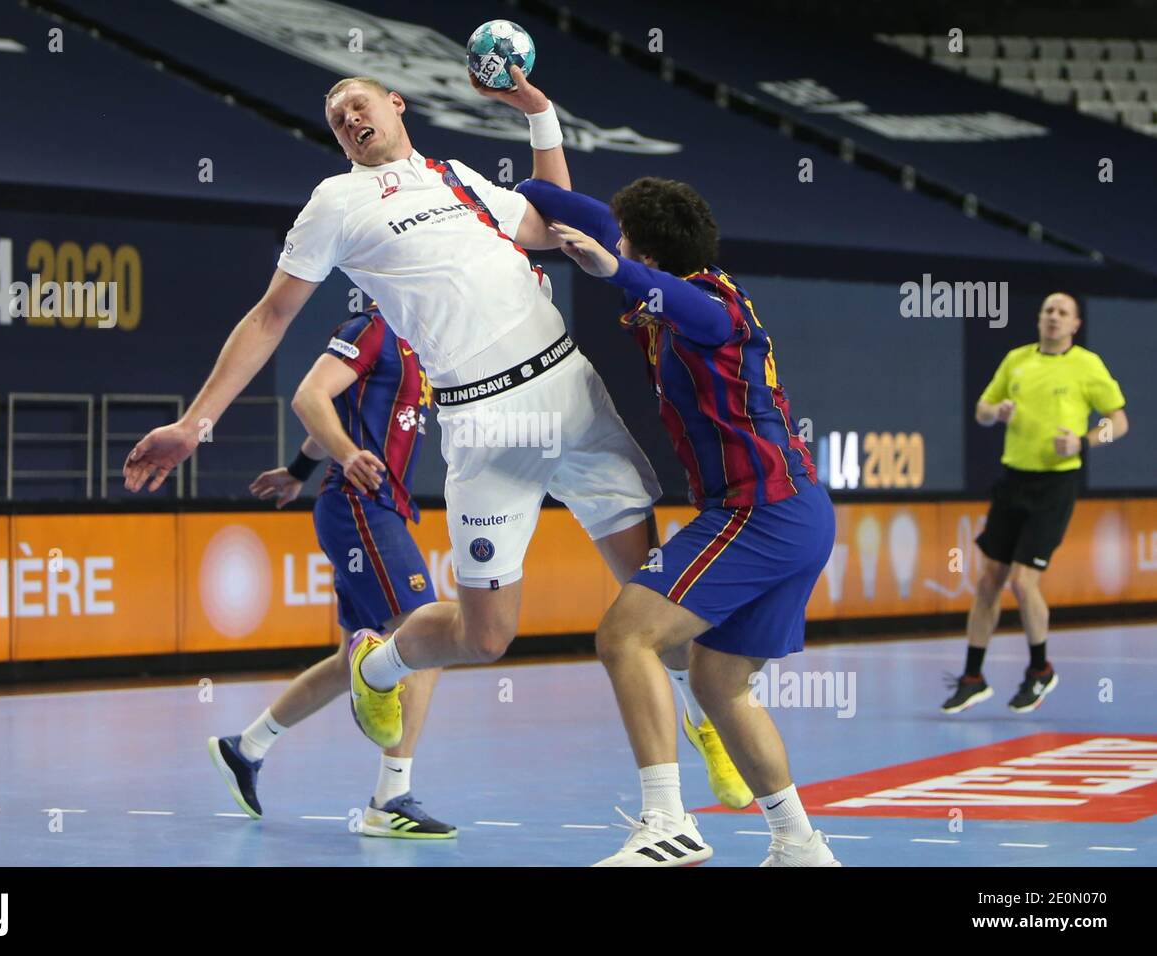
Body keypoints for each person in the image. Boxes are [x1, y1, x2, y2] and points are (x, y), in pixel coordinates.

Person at [122, 66, 745, 859]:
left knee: (651, 591)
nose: (349, 116)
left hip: (568, 393)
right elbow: (272, 314)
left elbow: (557, 225)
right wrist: (196, 421)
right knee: (488, 638)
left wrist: (540, 115)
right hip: (482, 422)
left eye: (360, 102)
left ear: (396, 105)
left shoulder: (457, 177)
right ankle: (381, 665)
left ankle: (681, 785)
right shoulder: (335, 205)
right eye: (336, 113)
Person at [515, 175, 840, 867]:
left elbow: (689, 309)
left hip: (761, 511)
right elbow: (574, 206)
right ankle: (800, 845)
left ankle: (667, 821)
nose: (617, 240)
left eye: (629, 240)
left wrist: (615, 270)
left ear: (650, 257)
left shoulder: (714, 306)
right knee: (720, 682)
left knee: (623, 638)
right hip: (794, 513)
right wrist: (533, 116)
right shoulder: (669, 281)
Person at [208, 305, 454, 838]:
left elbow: (336, 415)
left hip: (373, 507)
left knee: (356, 660)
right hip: (361, 504)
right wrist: (347, 456)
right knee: (425, 635)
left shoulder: (418, 339)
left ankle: (245, 748)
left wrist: (297, 471)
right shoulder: (370, 328)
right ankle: (391, 798)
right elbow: (308, 397)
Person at [942, 292, 1128, 714]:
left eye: (1063, 312)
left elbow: (1119, 421)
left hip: (1056, 485)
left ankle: (1040, 670)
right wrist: (997, 411)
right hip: (1013, 481)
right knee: (989, 579)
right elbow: (982, 410)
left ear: (1075, 324)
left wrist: (1083, 441)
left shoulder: (1087, 366)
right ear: (1039, 318)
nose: (1054, 318)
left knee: (1023, 582)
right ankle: (973, 678)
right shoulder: (1017, 360)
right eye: (1048, 310)